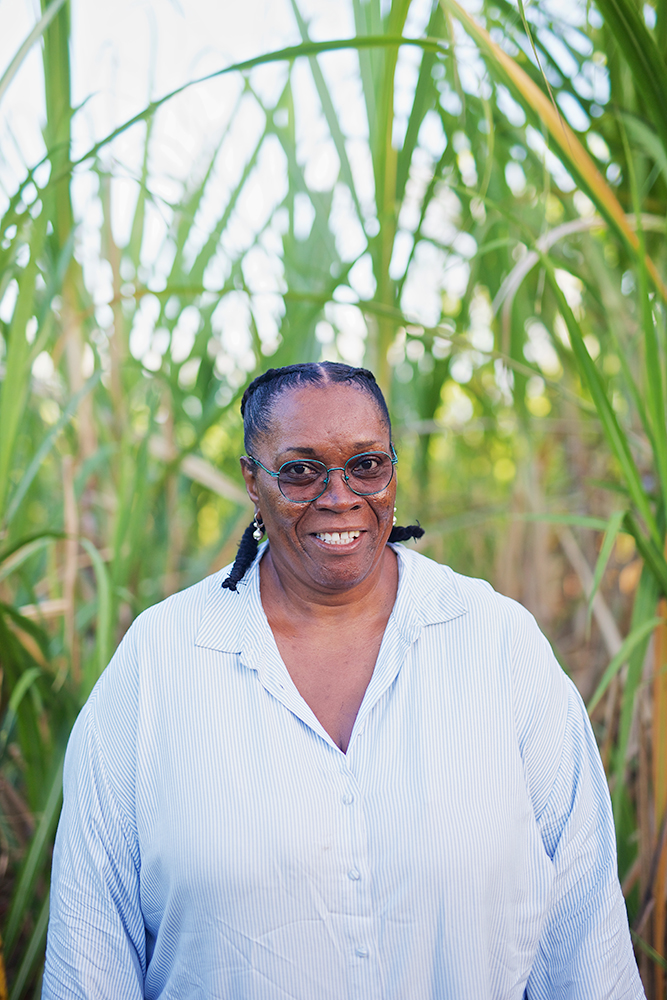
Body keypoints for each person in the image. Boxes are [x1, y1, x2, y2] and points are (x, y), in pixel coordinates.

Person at [43, 362, 644, 999]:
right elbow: (91, 952)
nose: (340, 496)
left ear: (392, 469)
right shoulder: (161, 663)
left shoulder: (495, 644)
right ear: (253, 480)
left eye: (366, 465)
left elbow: (586, 941)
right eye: (301, 470)